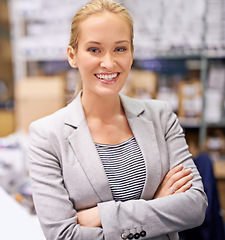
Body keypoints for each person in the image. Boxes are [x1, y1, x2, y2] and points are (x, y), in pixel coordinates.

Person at [28, 0, 208, 239]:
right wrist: (158, 204)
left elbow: (194, 207)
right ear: (72, 56)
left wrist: (101, 215)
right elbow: (63, 235)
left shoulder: (161, 117)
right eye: (94, 50)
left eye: (120, 49)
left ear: (132, 53)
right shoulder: (47, 135)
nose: (109, 63)